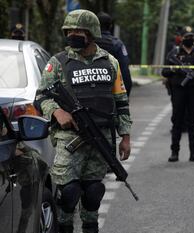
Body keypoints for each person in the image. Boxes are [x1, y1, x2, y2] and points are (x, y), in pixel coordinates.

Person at [34, 10, 132, 233]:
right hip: (69, 139)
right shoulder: (58, 62)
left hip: (101, 138)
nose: (73, 34)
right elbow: (40, 97)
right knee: (68, 194)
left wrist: (125, 136)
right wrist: (57, 112)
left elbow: (121, 102)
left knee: (94, 192)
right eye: (69, 31)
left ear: (92, 32)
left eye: (78, 30)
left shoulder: (110, 62)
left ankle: (90, 228)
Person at [161, 26, 194, 163]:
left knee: (193, 121)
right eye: (187, 36)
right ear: (182, 38)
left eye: (192, 36)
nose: (190, 38)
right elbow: (164, 72)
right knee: (177, 120)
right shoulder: (174, 53)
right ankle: (174, 152)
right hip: (179, 90)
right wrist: (174, 69)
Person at [96, 12, 133, 96]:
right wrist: (126, 93)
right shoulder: (117, 44)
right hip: (110, 91)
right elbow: (124, 70)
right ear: (110, 26)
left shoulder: (87, 43)